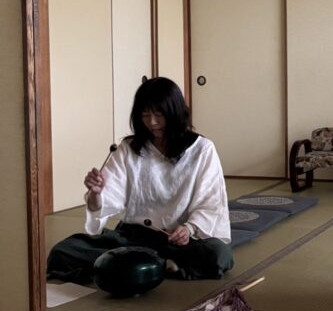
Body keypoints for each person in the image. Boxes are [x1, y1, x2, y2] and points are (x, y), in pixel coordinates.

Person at [47, 77, 234, 285]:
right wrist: (96, 193)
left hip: (178, 240)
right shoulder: (129, 148)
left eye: (159, 115)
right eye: (145, 115)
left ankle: (131, 268)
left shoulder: (202, 149)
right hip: (133, 238)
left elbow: (211, 202)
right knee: (63, 252)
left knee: (218, 254)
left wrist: (189, 229)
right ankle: (161, 266)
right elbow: (108, 200)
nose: (152, 122)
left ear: (175, 112)